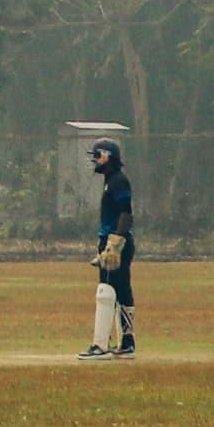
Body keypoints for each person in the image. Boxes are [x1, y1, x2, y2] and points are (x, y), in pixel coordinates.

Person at [82, 137, 139, 361]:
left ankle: (100, 345)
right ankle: (127, 343)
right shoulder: (111, 180)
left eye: (97, 156)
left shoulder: (117, 181)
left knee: (106, 291)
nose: (95, 161)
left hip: (116, 242)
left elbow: (126, 212)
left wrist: (115, 243)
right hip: (116, 241)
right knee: (122, 291)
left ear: (108, 156)